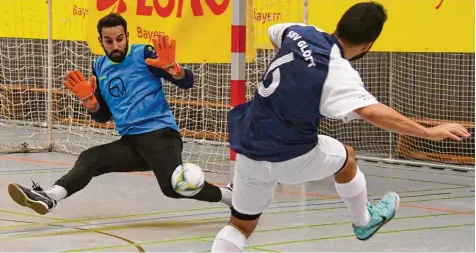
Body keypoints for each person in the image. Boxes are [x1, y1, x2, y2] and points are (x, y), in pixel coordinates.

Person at [210, 2, 471, 251]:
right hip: (290, 156)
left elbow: (272, 33)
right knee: (347, 158)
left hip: (248, 147)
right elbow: (373, 112)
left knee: (240, 224)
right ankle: (364, 221)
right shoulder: (338, 71)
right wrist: (428, 132)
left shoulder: (298, 31)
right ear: (368, 44)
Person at [7, 13, 233, 215]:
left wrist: (175, 70)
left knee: (172, 188)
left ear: (127, 36)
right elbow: (103, 115)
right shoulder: (100, 66)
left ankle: (227, 195)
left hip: (160, 135)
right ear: (101, 42)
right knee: (90, 158)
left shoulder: (143, 55)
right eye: (109, 41)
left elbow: (187, 83)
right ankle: (50, 196)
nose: (115, 45)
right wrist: (89, 101)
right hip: (131, 142)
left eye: (120, 39)